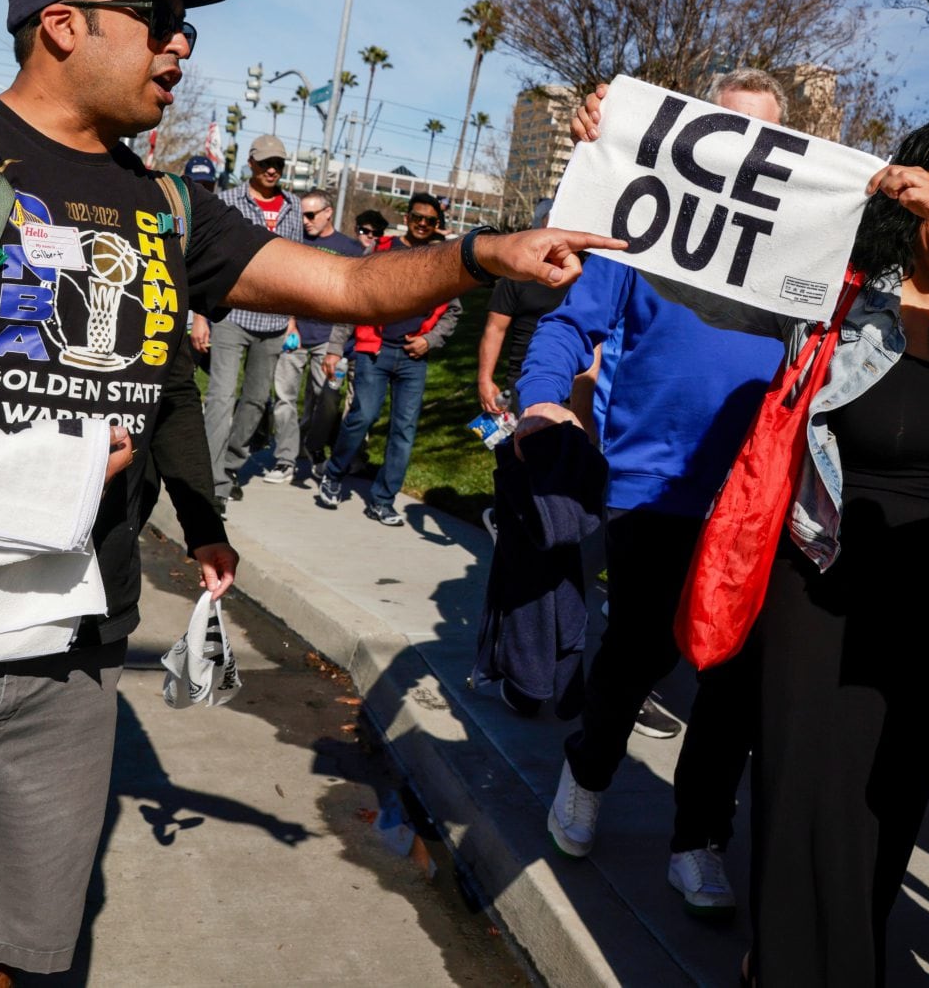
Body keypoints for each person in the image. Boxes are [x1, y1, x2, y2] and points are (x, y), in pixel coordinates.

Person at [0, 0, 614, 986]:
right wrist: (7, 474)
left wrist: (478, 254)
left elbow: (346, 287)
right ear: (61, 25)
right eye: (160, 21)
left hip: (69, 651)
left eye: (186, 26)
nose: (182, 47)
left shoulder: (171, 206)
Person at [642, 113, 929, 984]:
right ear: (908, 186)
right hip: (818, 590)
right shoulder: (838, 290)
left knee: (885, 810)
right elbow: (708, 278)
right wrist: (622, 149)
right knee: (800, 803)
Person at [516, 69, 799, 916]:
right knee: (638, 654)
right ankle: (588, 769)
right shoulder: (643, 229)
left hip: (753, 501)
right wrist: (539, 394)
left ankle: (699, 837)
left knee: (734, 681)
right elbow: (570, 319)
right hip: (652, 486)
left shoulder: (800, 249)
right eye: (729, 129)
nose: (746, 151)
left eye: (767, 139)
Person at [314, 192, 461, 524]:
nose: (423, 224)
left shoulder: (442, 258)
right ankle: (334, 474)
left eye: (431, 220)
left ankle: (383, 499)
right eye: (417, 218)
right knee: (362, 416)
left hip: (413, 357)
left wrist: (430, 340)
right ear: (406, 218)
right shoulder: (381, 250)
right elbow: (353, 297)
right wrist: (336, 346)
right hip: (374, 351)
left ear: (438, 225)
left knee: (404, 430)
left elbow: (453, 312)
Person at [193, 132, 303, 510]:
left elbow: (295, 269)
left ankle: (230, 464)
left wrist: (292, 320)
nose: (273, 169)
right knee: (221, 398)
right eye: (266, 163)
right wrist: (200, 317)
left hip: (273, 322)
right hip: (229, 315)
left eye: (279, 164)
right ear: (251, 164)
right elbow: (207, 262)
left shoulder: (293, 207)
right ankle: (212, 485)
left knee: (255, 402)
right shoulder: (226, 201)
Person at [255, 189, 361, 486]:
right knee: (284, 398)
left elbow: (353, 299)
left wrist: (338, 346)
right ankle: (285, 459)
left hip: (329, 339)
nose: (305, 220)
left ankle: (312, 447)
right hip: (295, 335)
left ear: (328, 212)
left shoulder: (349, 248)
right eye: (302, 214)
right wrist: (290, 324)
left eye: (311, 214)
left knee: (326, 399)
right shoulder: (296, 242)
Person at [477, 198, 566, 418]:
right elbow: (495, 329)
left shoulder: (585, 277)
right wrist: (485, 379)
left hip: (573, 380)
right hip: (524, 381)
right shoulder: (516, 275)